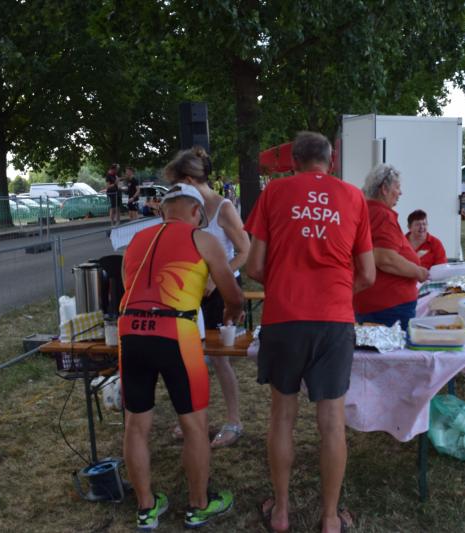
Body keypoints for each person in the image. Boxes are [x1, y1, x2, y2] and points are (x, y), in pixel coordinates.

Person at [245, 131, 374, 533]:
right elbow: (368, 274)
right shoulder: (353, 197)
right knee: (332, 422)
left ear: (293, 162)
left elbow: (253, 266)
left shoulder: (274, 192)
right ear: (331, 162)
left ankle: (281, 512)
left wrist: (285, 285)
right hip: (334, 319)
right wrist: (336, 295)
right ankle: (330, 518)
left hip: (283, 316)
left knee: (282, 416)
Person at [118, 181, 243, 529]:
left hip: (130, 332)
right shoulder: (203, 239)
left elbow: (132, 286)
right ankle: (198, 504)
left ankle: (146, 508)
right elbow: (233, 294)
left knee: (136, 424)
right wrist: (233, 312)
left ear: (162, 211)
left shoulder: (135, 241)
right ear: (196, 211)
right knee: (194, 424)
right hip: (176, 332)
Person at [165, 147, 251, 449]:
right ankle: (191, 417)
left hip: (220, 292)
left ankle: (233, 421)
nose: (174, 192)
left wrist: (217, 277)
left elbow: (245, 250)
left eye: (177, 184)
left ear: (189, 180)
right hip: (192, 291)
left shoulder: (222, 207)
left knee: (219, 358)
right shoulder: (187, 208)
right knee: (188, 355)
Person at [354, 163, 428, 330]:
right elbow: (385, 258)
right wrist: (418, 272)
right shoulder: (382, 215)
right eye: (397, 187)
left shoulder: (366, 211)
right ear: (384, 189)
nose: (400, 193)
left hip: (373, 303)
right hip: (389, 307)